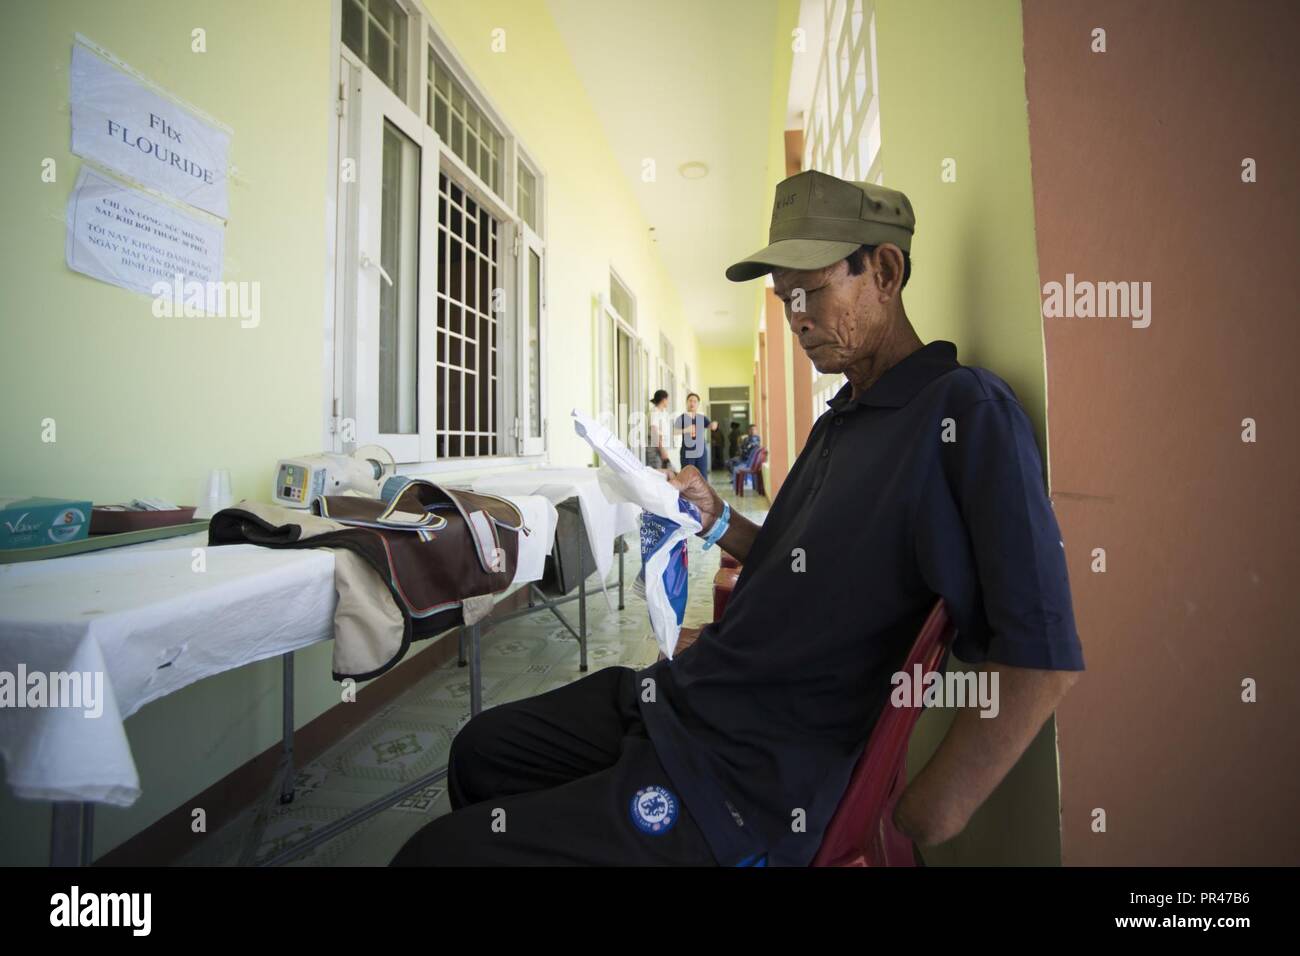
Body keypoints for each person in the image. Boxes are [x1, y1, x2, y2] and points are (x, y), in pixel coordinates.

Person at [391, 169, 1083, 867]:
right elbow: (786, 558)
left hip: (744, 777)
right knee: (480, 751)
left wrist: (925, 813)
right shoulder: (841, 419)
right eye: (785, 300)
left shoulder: (962, 412)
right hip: (684, 698)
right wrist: (717, 517)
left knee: (433, 857)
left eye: (811, 292)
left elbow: (1042, 651)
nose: (797, 318)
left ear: (884, 271)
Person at [673, 392, 717, 474]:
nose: (692, 403)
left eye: (695, 401)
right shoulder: (682, 417)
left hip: (701, 452)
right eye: (690, 401)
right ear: (686, 402)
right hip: (687, 452)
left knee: (702, 475)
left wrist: (714, 424)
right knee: (688, 476)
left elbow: (711, 426)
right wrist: (686, 430)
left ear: (698, 404)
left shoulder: (702, 418)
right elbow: (674, 431)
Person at [643, 389, 673, 473]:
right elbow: (654, 432)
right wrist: (662, 450)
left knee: (665, 473)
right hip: (655, 448)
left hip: (661, 447)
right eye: (667, 399)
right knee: (656, 474)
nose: (668, 402)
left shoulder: (663, 413)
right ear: (664, 400)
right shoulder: (654, 412)